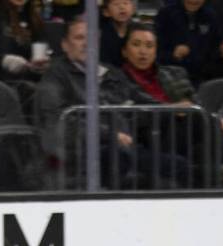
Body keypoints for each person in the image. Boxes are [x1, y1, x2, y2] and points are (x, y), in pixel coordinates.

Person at [35, 18, 185, 190]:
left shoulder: (110, 73)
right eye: (79, 38)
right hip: (81, 154)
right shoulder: (55, 78)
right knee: (118, 158)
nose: (86, 44)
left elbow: (140, 99)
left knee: (178, 165)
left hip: (123, 150)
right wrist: (109, 135)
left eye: (91, 39)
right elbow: (59, 122)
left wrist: (174, 109)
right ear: (65, 45)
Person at [102, 21, 201, 187]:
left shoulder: (174, 73)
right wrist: (170, 110)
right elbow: (126, 115)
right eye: (136, 45)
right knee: (173, 121)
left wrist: (212, 116)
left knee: (207, 122)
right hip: (147, 136)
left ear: (155, 51)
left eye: (149, 46)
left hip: (184, 131)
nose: (143, 52)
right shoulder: (115, 79)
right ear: (125, 51)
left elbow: (196, 103)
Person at [154, 0, 223, 86]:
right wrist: (173, 55)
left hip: (202, 81)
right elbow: (156, 53)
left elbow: (215, 50)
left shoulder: (210, 15)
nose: (194, 0)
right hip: (171, 80)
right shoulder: (165, 14)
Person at [0, 0, 50, 83]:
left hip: (29, 82)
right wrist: (2, 60)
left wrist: (39, 65)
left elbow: (41, 47)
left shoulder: (32, 16)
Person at [99, 0, 134, 68]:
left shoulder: (137, 31)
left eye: (125, 3)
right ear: (106, 12)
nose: (122, 7)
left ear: (133, 9)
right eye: (116, 4)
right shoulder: (102, 33)